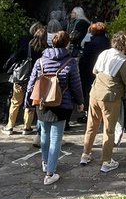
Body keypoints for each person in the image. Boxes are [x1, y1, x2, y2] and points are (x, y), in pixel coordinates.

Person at [24, 30, 82, 185]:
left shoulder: (41, 61)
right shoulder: (70, 62)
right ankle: (50, 173)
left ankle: (45, 163)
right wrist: (80, 102)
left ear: (51, 42)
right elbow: (76, 85)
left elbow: (31, 83)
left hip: (42, 103)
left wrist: (28, 103)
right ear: (67, 43)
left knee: (44, 135)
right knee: (56, 138)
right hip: (61, 104)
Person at [82, 30, 126, 173]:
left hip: (94, 93)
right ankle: (106, 162)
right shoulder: (122, 62)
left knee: (91, 126)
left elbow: (94, 71)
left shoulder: (104, 53)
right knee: (109, 130)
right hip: (110, 98)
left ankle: (85, 155)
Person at [2, 23, 46, 135]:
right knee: (30, 103)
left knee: (15, 102)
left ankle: (10, 126)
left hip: (22, 77)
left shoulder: (27, 44)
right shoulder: (45, 49)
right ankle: (27, 127)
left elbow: (16, 57)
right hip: (35, 79)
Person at [75, 22, 110, 112]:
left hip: (90, 70)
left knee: (90, 91)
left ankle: (90, 111)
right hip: (105, 70)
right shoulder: (108, 42)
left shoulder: (90, 44)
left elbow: (85, 59)